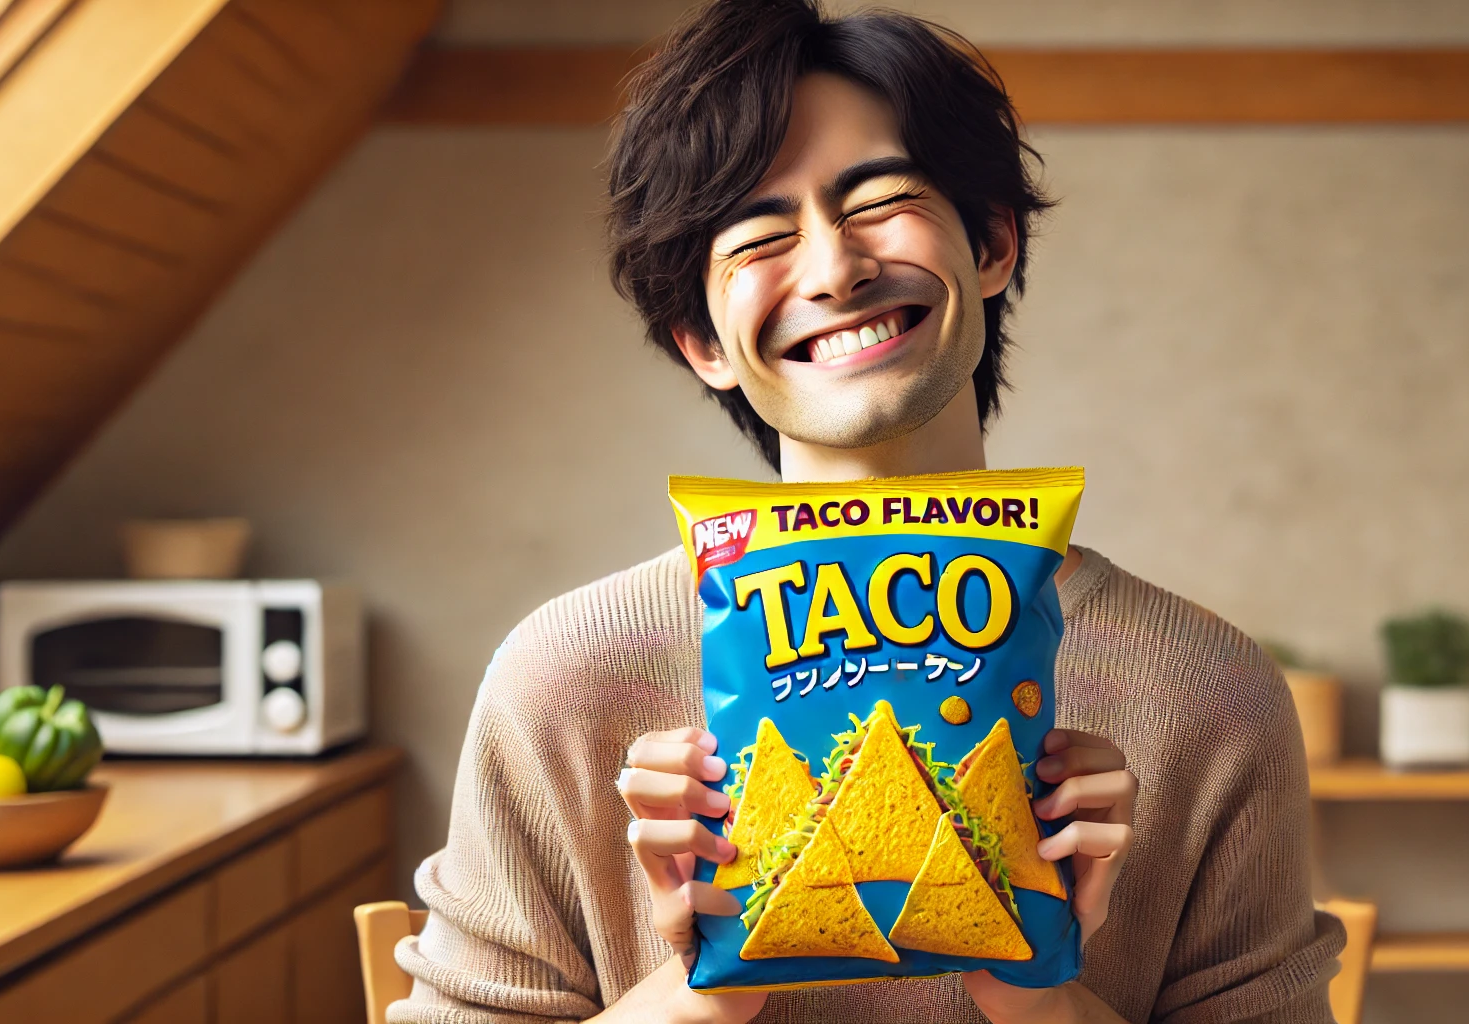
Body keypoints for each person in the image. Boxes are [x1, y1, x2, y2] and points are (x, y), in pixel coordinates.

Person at [392, 1, 1344, 1021]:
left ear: (988, 243)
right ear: (700, 340)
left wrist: (1039, 991)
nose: (835, 269)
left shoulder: (1207, 693)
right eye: (757, 239)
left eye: (879, 199)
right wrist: (701, 983)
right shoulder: (567, 683)